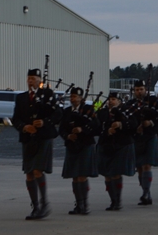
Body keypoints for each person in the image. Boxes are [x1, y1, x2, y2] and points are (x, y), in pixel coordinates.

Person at [12, 68, 62, 220]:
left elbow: (57, 114)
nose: (30, 81)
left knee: (37, 171)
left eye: (33, 78)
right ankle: (35, 207)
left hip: (43, 137)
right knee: (28, 173)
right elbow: (15, 119)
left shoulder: (47, 95)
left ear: (40, 80)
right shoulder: (21, 98)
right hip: (28, 138)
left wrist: (44, 122)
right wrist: (24, 127)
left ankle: (44, 204)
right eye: (29, 78)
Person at [58, 86, 99, 215]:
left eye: (75, 97)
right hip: (72, 145)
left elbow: (96, 126)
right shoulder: (67, 111)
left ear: (81, 98)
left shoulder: (88, 110)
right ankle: (78, 204)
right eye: (71, 97)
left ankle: (85, 204)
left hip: (85, 145)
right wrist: (68, 136)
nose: (73, 99)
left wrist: (82, 130)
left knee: (82, 176)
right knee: (75, 177)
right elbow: (61, 129)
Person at [95, 92, 137, 210]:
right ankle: (113, 200)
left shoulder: (126, 111)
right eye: (110, 99)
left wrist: (121, 124)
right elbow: (96, 128)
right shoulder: (102, 113)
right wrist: (107, 132)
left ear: (119, 101)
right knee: (107, 175)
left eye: (114, 99)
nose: (111, 101)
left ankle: (117, 201)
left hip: (121, 145)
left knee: (116, 174)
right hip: (105, 145)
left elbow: (133, 124)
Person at [126, 80, 158, 206]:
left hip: (150, 136)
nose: (139, 92)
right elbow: (128, 120)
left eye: (141, 89)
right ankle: (146, 193)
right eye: (137, 90)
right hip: (137, 138)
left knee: (147, 165)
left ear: (145, 89)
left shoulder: (152, 101)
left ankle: (146, 192)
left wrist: (150, 123)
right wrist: (135, 127)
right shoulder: (131, 104)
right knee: (140, 167)